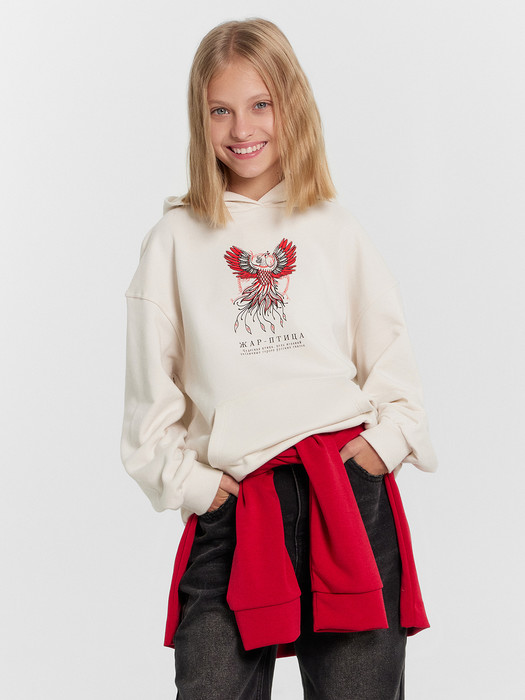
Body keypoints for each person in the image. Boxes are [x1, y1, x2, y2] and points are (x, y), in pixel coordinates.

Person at [120, 17, 438, 700]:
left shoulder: (333, 227)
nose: (242, 128)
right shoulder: (174, 240)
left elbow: (395, 371)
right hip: (237, 507)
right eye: (220, 110)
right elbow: (149, 407)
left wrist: (380, 449)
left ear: (290, 103)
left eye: (260, 103)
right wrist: (193, 486)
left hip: (344, 496)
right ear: (199, 119)